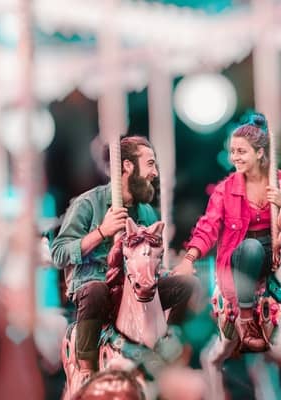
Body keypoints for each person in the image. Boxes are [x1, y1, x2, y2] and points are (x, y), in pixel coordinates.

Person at [51, 136, 197, 377]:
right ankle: (87, 366)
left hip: (137, 290)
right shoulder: (89, 203)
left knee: (186, 284)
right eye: (150, 164)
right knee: (95, 290)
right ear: (128, 166)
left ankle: (166, 341)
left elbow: (150, 261)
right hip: (99, 286)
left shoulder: (146, 212)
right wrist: (101, 232)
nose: (155, 172)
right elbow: (59, 253)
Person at [172, 113, 281, 352]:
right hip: (244, 252)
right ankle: (247, 318)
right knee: (251, 250)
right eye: (234, 152)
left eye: (242, 152)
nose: (235, 157)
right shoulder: (225, 189)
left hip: (277, 246)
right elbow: (208, 226)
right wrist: (190, 258)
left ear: (260, 152)